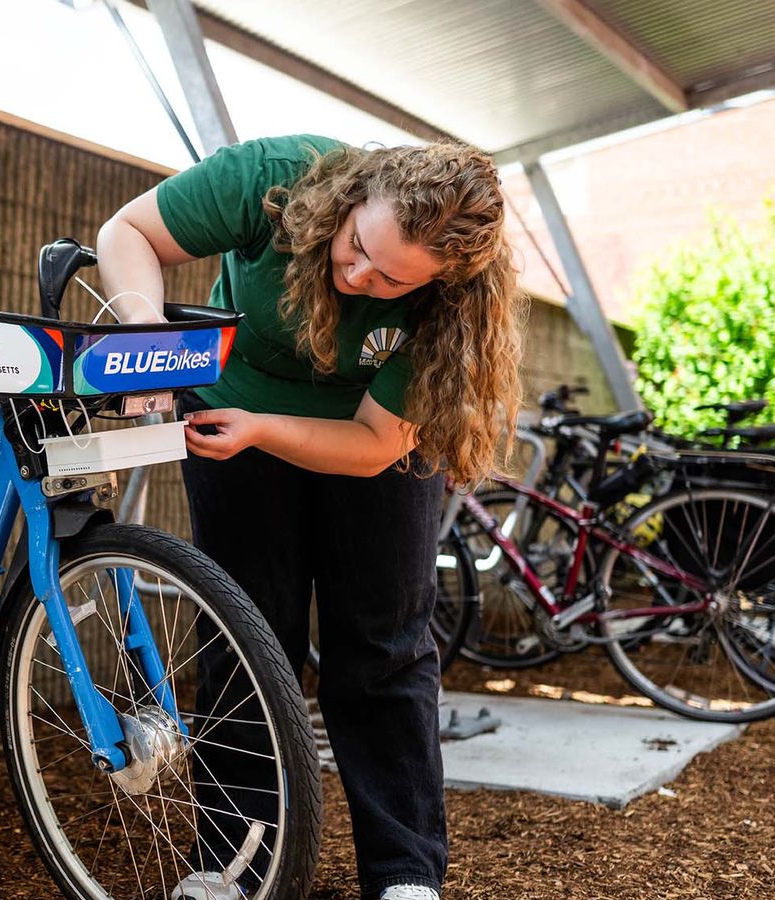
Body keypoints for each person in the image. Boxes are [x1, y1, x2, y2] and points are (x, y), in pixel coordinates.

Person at [96, 135, 523, 900]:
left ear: (441, 282)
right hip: (233, 405)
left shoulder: (452, 313)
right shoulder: (271, 180)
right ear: (355, 196)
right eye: (357, 244)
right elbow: (127, 233)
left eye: (391, 278)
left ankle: (403, 872)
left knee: (383, 645)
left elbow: (371, 442)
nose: (357, 273)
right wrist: (149, 342)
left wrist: (267, 430)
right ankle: (235, 863)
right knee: (246, 635)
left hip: (372, 445)